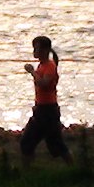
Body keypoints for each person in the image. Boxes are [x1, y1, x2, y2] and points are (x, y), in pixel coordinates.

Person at [20, 35, 73, 166]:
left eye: (36, 48)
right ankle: (28, 170)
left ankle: (73, 167)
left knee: (53, 143)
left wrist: (32, 72)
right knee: (30, 142)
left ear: (45, 50)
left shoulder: (49, 66)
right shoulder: (42, 65)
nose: (34, 51)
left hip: (48, 111)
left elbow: (44, 83)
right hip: (42, 109)